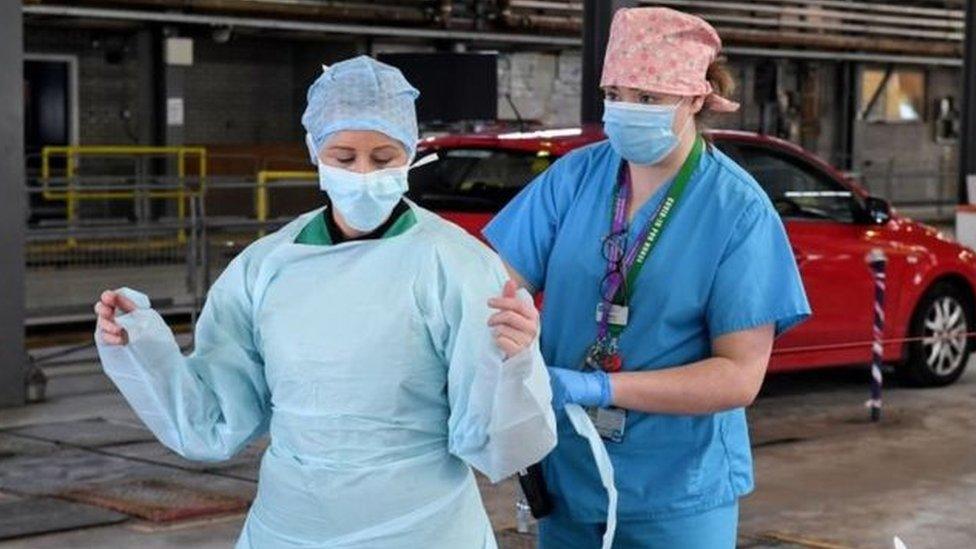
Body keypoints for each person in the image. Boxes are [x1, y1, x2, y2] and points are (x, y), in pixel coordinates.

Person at [93, 55, 556, 549]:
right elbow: (213, 421)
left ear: (411, 153)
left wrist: (516, 366)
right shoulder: (265, 268)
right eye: (343, 157)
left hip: (423, 527)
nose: (362, 173)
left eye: (383, 158)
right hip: (292, 526)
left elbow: (496, 445)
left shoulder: (456, 264)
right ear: (314, 151)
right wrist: (142, 349)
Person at [483, 8, 811, 549]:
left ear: (697, 99)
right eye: (615, 94)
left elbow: (738, 377)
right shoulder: (576, 176)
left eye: (649, 99)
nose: (624, 112)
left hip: (678, 487)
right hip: (568, 471)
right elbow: (495, 287)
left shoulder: (737, 211)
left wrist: (600, 386)